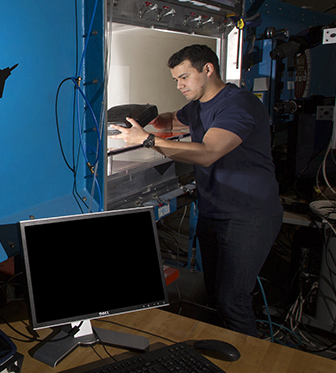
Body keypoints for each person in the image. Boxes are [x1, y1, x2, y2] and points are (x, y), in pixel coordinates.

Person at [110, 44, 282, 337]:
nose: (179, 85)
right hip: (214, 212)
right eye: (175, 80)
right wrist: (137, 118)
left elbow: (208, 153)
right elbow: (170, 120)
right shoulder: (199, 105)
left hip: (247, 216)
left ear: (208, 69)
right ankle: (218, 353)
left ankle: (248, 370)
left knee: (233, 301)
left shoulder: (238, 105)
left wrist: (147, 141)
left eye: (184, 77)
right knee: (214, 295)